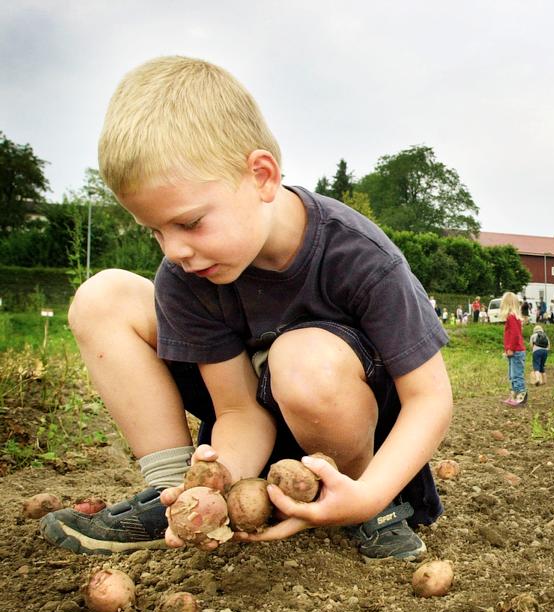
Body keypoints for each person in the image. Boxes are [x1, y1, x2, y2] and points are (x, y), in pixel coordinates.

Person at [39, 56, 448, 561]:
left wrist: (370, 492)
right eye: (156, 230)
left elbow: (430, 399)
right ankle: (173, 496)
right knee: (103, 296)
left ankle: (367, 509)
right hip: (259, 442)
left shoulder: (360, 258)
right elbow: (237, 409)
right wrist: (211, 486)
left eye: (188, 223)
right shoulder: (187, 275)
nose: (173, 250)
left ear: (261, 176)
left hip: (353, 446)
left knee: (301, 359)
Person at [501, 292, 528, 406]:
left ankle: (521, 394)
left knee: (516, 374)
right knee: (512, 374)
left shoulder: (512, 318)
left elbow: (515, 335)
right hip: (514, 351)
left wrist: (510, 348)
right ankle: (513, 395)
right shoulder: (513, 318)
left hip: (516, 351)